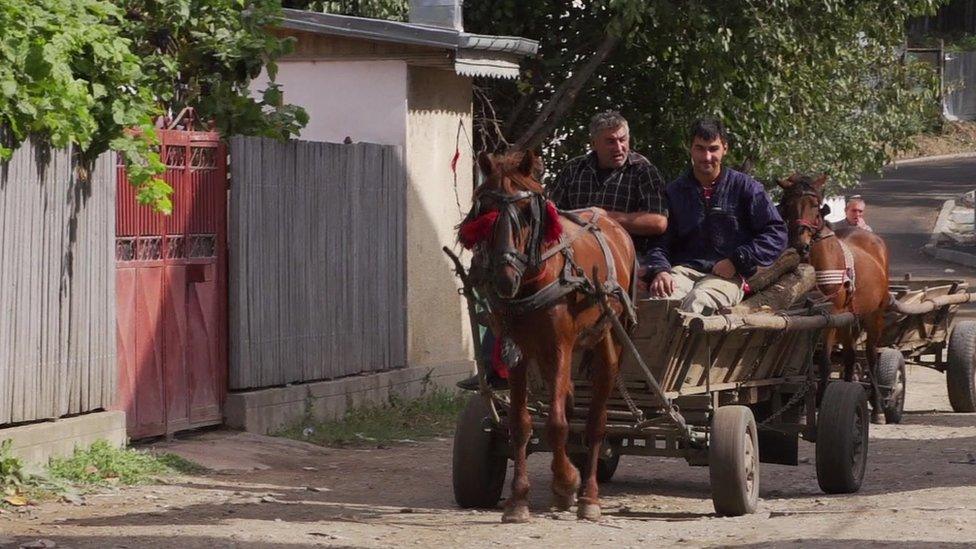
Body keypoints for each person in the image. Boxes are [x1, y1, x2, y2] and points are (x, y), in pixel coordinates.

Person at [643, 118, 787, 314]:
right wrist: (660, 270)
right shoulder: (674, 192)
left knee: (698, 302)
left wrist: (737, 260)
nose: (707, 156)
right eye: (700, 148)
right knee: (660, 302)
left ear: (724, 148)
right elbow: (659, 242)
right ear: (690, 148)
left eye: (713, 149)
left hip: (727, 278)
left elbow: (776, 233)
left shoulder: (746, 188)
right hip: (683, 271)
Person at [546, 110, 669, 257]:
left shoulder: (643, 171)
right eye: (610, 142)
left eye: (622, 140)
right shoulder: (574, 169)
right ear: (594, 144)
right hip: (575, 256)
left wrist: (603, 217)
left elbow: (658, 222)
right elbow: (551, 214)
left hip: (627, 259)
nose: (618, 148)